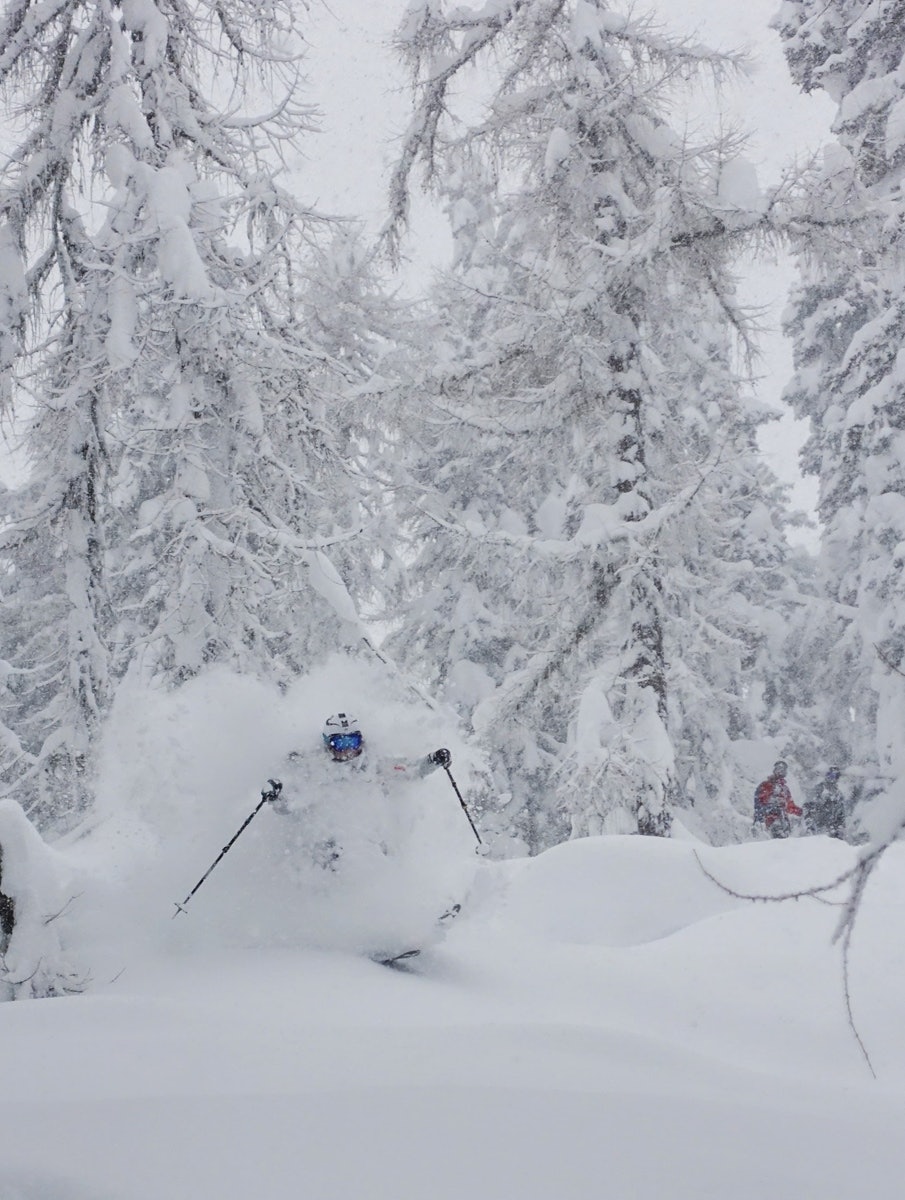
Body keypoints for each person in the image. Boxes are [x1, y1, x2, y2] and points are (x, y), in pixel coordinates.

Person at [268, 712, 451, 869]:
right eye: (340, 743)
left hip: (366, 845)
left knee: (377, 852)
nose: (348, 749)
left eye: (353, 741)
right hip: (327, 851)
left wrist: (432, 761)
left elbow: (411, 770)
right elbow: (289, 806)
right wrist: (276, 797)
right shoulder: (314, 770)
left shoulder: (373, 764)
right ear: (327, 744)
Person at [753, 760, 802, 838]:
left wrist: (801, 811)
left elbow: (790, 806)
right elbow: (759, 804)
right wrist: (767, 811)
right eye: (779, 769)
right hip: (769, 821)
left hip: (783, 822)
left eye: (783, 770)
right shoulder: (765, 785)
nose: (781, 772)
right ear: (774, 770)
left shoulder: (785, 789)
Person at [803, 766, 847, 839]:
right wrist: (810, 824)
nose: (832, 778)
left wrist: (840, 828)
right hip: (818, 827)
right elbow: (807, 806)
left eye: (835, 776)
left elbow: (841, 813)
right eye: (830, 775)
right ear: (826, 775)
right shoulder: (818, 789)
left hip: (832, 829)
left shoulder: (838, 794)